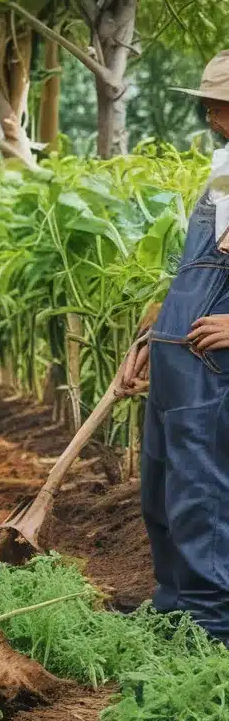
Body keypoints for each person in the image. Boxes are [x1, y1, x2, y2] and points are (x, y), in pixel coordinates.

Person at [118, 50, 229, 644]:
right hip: (176, 355)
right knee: (162, 492)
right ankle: (175, 611)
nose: (210, 113)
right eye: (211, 102)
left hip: (212, 366)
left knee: (201, 495)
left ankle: (212, 632)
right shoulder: (224, 170)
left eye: (221, 102)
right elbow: (195, 270)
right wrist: (150, 334)